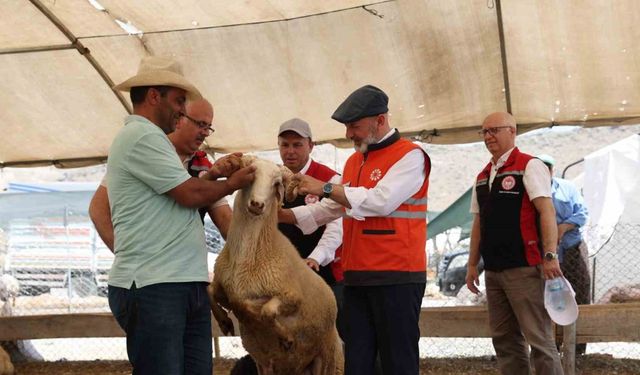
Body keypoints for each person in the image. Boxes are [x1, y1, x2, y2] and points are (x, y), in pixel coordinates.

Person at [103, 56, 255, 375]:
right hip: (155, 285)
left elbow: (187, 190)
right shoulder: (142, 137)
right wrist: (232, 184)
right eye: (179, 101)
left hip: (179, 282)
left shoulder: (156, 141)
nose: (182, 110)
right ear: (154, 96)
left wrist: (213, 177)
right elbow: (189, 195)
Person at [279, 85, 430, 375]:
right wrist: (284, 215)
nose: (349, 134)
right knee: (357, 362)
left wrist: (324, 187)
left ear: (380, 120)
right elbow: (332, 209)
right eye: (348, 126)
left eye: (355, 126)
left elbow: (380, 201)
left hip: (397, 276)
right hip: (357, 276)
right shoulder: (354, 161)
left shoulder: (410, 156)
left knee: (397, 362)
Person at [465, 112, 564, 375]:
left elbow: (547, 211)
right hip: (493, 271)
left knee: (540, 341)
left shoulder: (529, 165)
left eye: (495, 130)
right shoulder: (483, 175)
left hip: (525, 267)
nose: (488, 136)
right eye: (484, 132)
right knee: (505, 340)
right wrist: (472, 264)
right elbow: (478, 223)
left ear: (512, 131)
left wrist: (550, 255)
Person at [89, 98, 234, 252]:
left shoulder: (203, 166)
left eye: (208, 127)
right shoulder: (143, 151)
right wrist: (125, 254)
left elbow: (225, 219)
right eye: (200, 124)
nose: (205, 133)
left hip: (185, 268)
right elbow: (98, 209)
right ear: (179, 118)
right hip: (152, 270)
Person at [275, 117, 346, 335]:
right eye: (285, 145)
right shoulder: (272, 179)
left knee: (333, 337)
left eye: (297, 145)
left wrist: (315, 258)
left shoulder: (329, 179)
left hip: (326, 273)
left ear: (311, 146)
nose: (290, 151)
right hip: (285, 277)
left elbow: (336, 228)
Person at [539, 153, 591, 355]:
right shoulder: (531, 191)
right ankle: (551, 344)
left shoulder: (566, 188)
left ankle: (579, 346)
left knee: (580, 291)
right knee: (549, 295)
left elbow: (582, 212)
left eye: (547, 168)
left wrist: (563, 227)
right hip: (545, 252)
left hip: (571, 248)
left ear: (552, 170)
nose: (544, 171)